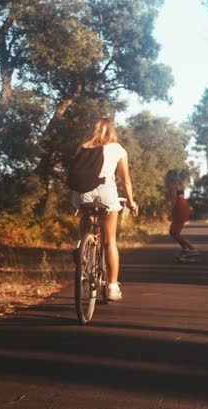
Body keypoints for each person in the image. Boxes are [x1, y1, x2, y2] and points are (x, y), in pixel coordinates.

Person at [71, 117, 137, 301]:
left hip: (81, 194)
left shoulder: (83, 148)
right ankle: (112, 287)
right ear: (112, 132)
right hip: (106, 195)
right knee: (110, 242)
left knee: (87, 214)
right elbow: (126, 181)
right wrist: (131, 202)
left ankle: (82, 246)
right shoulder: (117, 149)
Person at [164, 169, 198, 258]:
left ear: (169, 178)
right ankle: (185, 249)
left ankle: (192, 249)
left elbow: (173, 200)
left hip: (179, 208)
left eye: (167, 176)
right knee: (173, 232)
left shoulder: (172, 186)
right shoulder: (179, 185)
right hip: (183, 205)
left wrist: (170, 212)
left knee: (175, 233)